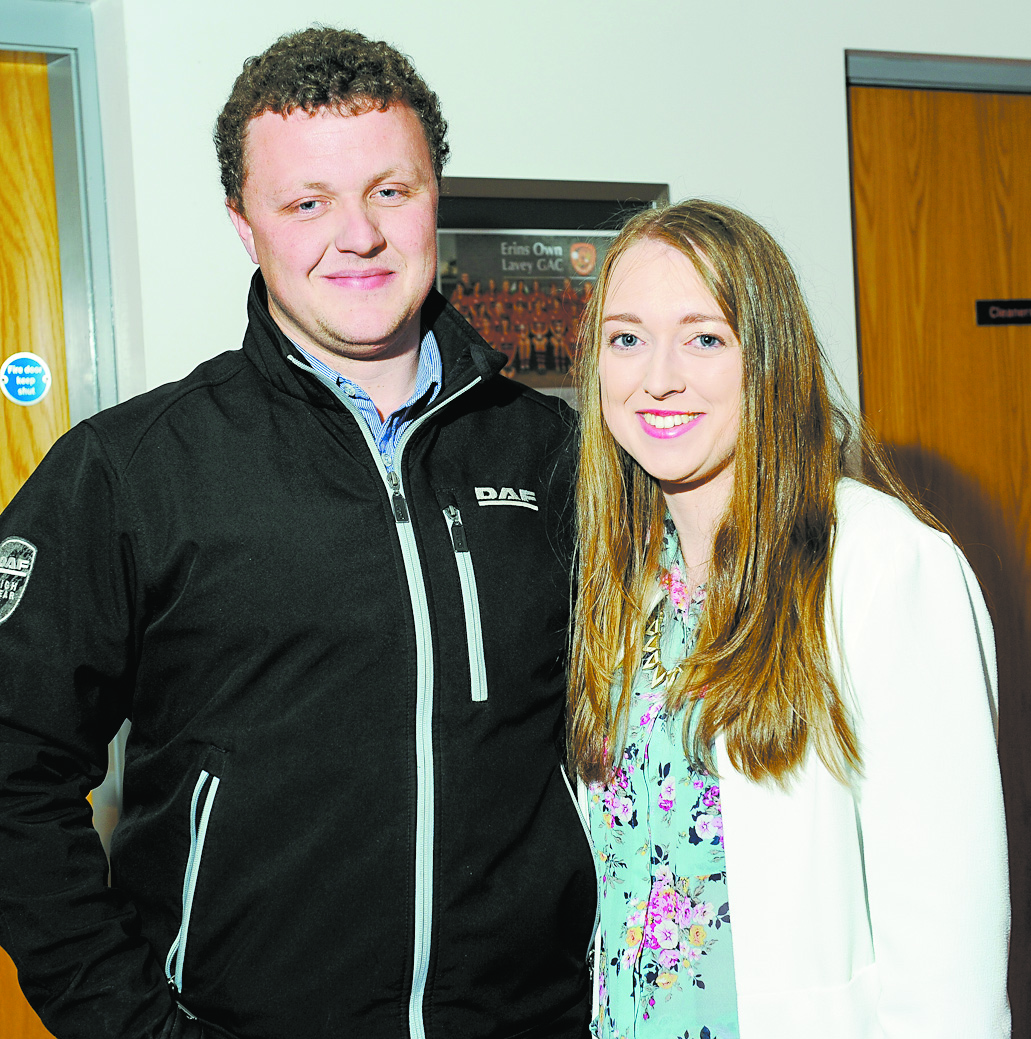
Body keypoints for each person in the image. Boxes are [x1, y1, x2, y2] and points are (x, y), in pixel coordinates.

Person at [0, 27, 596, 1039]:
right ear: (245, 226)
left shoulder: (556, 455)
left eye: (389, 191)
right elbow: (14, 772)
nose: (356, 235)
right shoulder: (131, 469)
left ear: (434, 198)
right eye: (306, 203)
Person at [567, 200, 1010, 1038]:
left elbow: (947, 953)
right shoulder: (624, 582)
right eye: (626, 338)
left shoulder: (882, 565)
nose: (657, 377)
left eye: (704, 338)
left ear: (766, 358)